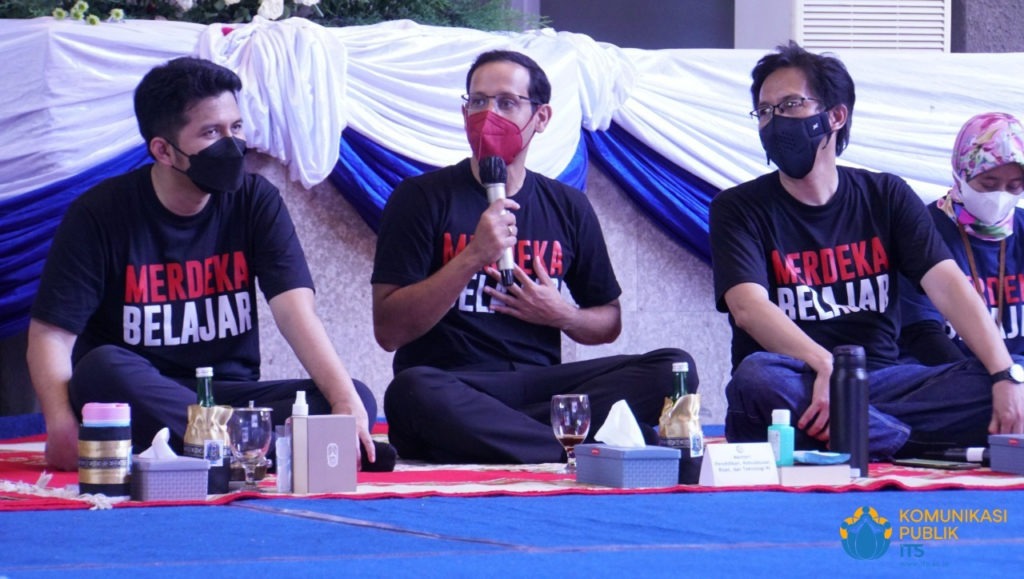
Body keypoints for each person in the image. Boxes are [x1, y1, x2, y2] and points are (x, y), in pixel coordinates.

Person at [27, 57, 392, 472]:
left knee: (353, 395)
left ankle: (229, 445)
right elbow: (51, 334)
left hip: (230, 394)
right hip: (148, 395)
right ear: (163, 150)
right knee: (98, 370)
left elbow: (295, 310)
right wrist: (59, 424)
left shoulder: (256, 200)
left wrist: (344, 401)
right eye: (211, 133)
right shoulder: (99, 214)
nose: (231, 144)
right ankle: (273, 449)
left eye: (235, 128)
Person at [371, 50, 695, 464]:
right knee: (410, 391)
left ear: (541, 118)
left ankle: (522, 439)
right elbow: (389, 332)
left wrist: (564, 316)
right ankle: (582, 448)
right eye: (478, 101)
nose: (489, 114)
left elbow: (608, 320)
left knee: (674, 369)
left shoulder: (568, 205)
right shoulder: (419, 198)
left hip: (543, 390)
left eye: (507, 102)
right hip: (457, 387)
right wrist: (472, 257)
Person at [709, 42, 1024, 461]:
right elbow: (747, 307)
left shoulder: (886, 195)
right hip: (797, 381)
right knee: (757, 378)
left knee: (1012, 376)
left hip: (883, 383)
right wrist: (825, 366)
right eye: (765, 112)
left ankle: (860, 433)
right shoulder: (737, 207)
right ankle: (907, 445)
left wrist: (1005, 375)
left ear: (835, 116)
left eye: (789, 105)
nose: (774, 121)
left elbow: (947, 285)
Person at [899, 113, 1024, 365]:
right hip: (944, 374)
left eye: (1014, 186)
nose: (1000, 196)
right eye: (988, 183)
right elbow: (920, 331)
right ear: (961, 173)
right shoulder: (921, 229)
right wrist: (989, 379)